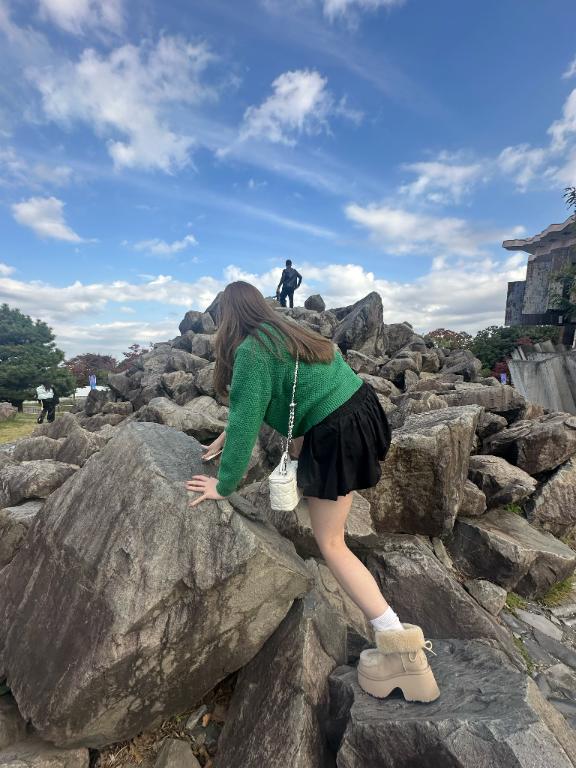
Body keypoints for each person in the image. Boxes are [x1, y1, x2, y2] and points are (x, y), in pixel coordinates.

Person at [187, 282, 440, 703]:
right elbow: (264, 400)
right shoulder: (287, 332)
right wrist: (226, 434)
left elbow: (248, 418)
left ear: (226, 319)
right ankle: (399, 647)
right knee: (319, 500)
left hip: (334, 430)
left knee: (332, 544)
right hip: (360, 409)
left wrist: (224, 484)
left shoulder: (251, 351)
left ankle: (402, 652)